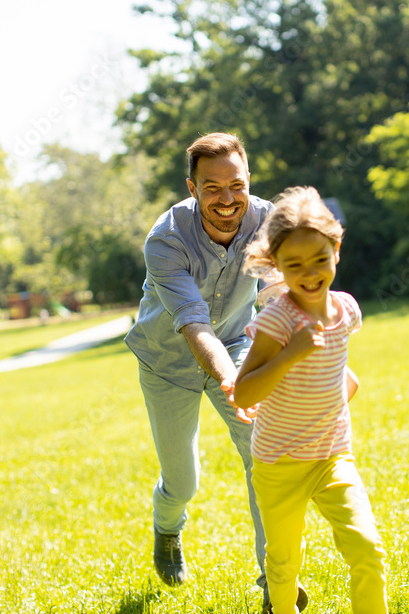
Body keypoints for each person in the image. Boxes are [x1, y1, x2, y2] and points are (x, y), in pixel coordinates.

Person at [125, 133, 307, 612]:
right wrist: (234, 384)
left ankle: (274, 580)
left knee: (261, 454)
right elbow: (194, 326)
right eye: (212, 188)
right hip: (168, 359)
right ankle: (167, 529)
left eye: (237, 185)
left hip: (236, 343)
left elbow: (283, 290)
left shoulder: (268, 221)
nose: (227, 199)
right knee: (183, 480)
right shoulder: (166, 240)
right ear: (192, 188)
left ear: (249, 181)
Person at [233, 186, 388, 614]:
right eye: (294, 264)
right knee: (283, 565)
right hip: (279, 464)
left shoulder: (347, 309)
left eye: (320, 259)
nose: (310, 273)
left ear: (336, 248)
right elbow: (245, 392)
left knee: (368, 548)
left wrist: (333, 402)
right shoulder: (278, 319)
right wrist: (290, 353)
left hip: (333, 457)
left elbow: (337, 368)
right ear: (277, 265)